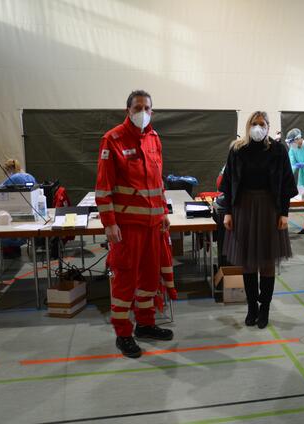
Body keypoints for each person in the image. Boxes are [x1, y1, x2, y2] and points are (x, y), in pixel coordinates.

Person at [95, 89, 177, 358]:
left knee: (149, 278)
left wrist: (163, 211)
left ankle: (145, 324)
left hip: (153, 225)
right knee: (125, 281)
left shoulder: (154, 138)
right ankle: (123, 333)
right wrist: (109, 223)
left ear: (152, 111)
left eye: (147, 108)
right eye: (138, 107)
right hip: (127, 227)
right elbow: (103, 187)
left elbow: (158, 181)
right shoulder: (113, 139)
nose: (143, 112)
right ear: (128, 110)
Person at [220, 111, 298, 329]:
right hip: (242, 208)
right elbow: (228, 183)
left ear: (268, 127)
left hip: (269, 209)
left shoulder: (278, 149)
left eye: (262, 124)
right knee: (247, 262)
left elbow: (285, 184)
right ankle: (252, 307)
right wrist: (228, 211)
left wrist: (284, 213)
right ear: (248, 125)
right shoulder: (237, 149)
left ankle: (265, 309)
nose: (258, 127)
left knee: (266, 262)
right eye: (254, 123)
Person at [0, 159, 38, 258]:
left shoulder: (14, 178)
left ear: (9, 169)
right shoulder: (29, 176)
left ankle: (9, 249)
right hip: (32, 213)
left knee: (1, 220)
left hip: (18, 212)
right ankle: (13, 248)